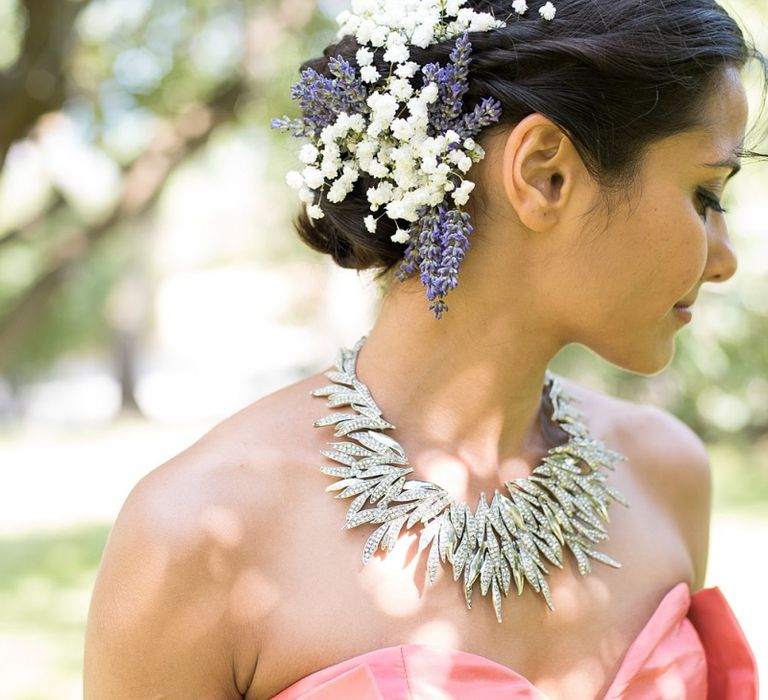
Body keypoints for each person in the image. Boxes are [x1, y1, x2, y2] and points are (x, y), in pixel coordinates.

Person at [83, 0, 763, 698]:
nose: (724, 259)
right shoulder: (194, 540)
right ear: (543, 175)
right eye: (706, 192)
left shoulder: (668, 476)